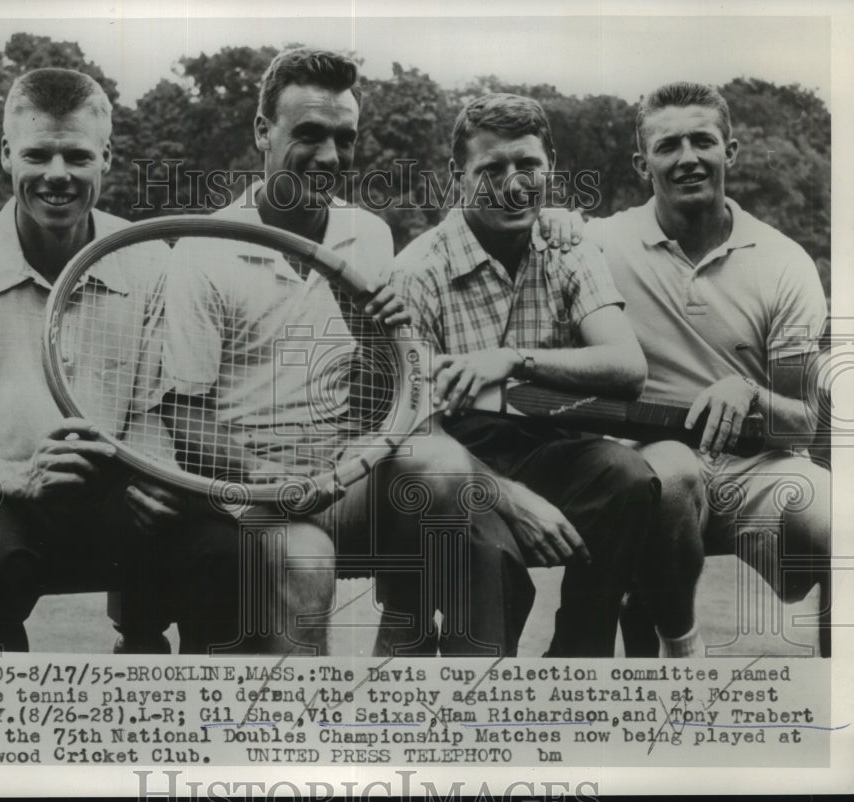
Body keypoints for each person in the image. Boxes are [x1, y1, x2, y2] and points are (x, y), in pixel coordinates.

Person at [162, 50, 583, 657]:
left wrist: (372, 343)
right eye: (309, 134)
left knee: (438, 459)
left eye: (344, 137)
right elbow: (185, 414)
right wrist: (259, 476)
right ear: (262, 132)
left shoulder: (371, 234)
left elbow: (382, 397)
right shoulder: (203, 251)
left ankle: (404, 635)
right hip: (255, 491)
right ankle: (303, 739)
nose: (330, 156)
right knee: (306, 567)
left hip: (349, 479)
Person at [0, 68, 194, 651]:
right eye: (38, 154)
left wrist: (156, 477)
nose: (57, 175)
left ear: (106, 157)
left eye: (77, 156)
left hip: (116, 495)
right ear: (7, 154)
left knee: (226, 552)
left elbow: (161, 409)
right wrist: (20, 478)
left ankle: (159, 697)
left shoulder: (152, 261)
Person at [390, 93, 660, 657]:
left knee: (628, 479)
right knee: (495, 564)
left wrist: (515, 357)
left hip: (549, 445)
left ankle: (576, 670)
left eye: (528, 166)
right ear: (456, 176)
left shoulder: (566, 246)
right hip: (457, 461)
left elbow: (628, 367)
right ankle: (476, 703)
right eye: (490, 169)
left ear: (550, 166)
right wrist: (504, 496)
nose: (513, 185)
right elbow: (412, 428)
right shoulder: (419, 270)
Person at [584, 82, 831, 657]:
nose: (688, 157)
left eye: (704, 141)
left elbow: (801, 424)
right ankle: (682, 647)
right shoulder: (598, 243)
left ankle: (837, 703)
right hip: (651, 463)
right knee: (670, 476)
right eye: (669, 145)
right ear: (641, 163)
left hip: (760, 469)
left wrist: (749, 393)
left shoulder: (783, 261)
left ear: (732, 151)